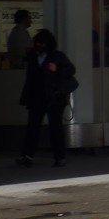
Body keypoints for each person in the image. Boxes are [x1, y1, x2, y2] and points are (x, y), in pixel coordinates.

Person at [16, 28, 77, 167]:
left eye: (42, 44)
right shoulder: (33, 57)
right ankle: (28, 155)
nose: (40, 46)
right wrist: (26, 95)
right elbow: (29, 79)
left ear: (48, 44)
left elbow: (71, 70)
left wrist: (57, 69)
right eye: (38, 43)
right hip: (38, 97)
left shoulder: (57, 56)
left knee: (54, 127)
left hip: (54, 97)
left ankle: (59, 156)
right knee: (33, 127)